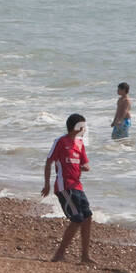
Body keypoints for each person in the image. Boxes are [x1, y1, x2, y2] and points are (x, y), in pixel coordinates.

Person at [44, 113, 94, 264]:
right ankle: (59, 254)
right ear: (76, 127)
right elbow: (49, 162)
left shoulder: (80, 144)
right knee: (77, 219)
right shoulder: (60, 141)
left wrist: (84, 166)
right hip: (64, 186)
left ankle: (85, 256)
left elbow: (86, 164)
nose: (85, 130)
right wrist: (46, 184)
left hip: (77, 186)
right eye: (83, 127)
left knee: (87, 216)